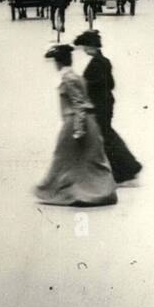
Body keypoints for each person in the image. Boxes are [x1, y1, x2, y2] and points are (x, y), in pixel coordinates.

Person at [33, 43, 117, 207]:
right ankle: (98, 190)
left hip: (76, 121)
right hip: (87, 121)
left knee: (64, 160)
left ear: (58, 63)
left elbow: (78, 104)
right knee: (88, 161)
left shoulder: (68, 78)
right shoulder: (74, 75)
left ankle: (56, 190)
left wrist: (78, 129)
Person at [75, 30, 142, 184]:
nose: (84, 50)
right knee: (108, 135)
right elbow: (111, 84)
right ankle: (128, 167)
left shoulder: (96, 63)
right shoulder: (104, 61)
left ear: (92, 47)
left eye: (85, 46)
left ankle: (127, 168)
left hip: (100, 105)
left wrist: (83, 83)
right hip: (106, 103)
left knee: (106, 137)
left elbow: (94, 84)